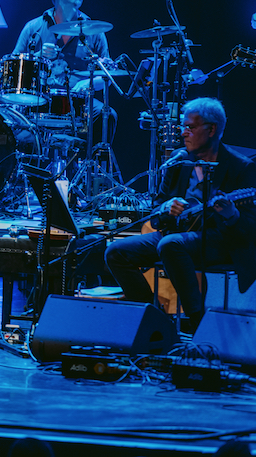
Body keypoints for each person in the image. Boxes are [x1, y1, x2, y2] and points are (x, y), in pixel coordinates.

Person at [105, 98, 256, 333]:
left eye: (190, 127)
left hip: (220, 241)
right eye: (182, 127)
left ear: (212, 129)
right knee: (116, 252)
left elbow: (249, 230)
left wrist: (231, 215)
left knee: (170, 244)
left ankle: (198, 325)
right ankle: (152, 317)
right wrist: (165, 208)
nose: (184, 133)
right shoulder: (179, 160)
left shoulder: (241, 167)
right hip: (178, 234)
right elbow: (156, 209)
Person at [12, 0, 116, 141]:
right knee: (18, 135)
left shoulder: (94, 30)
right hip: (41, 100)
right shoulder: (34, 27)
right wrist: (38, 56)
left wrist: (88, 84)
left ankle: (91, 165)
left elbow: (107, 76)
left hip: (79, 102)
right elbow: (15, 66)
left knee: (108, 115)